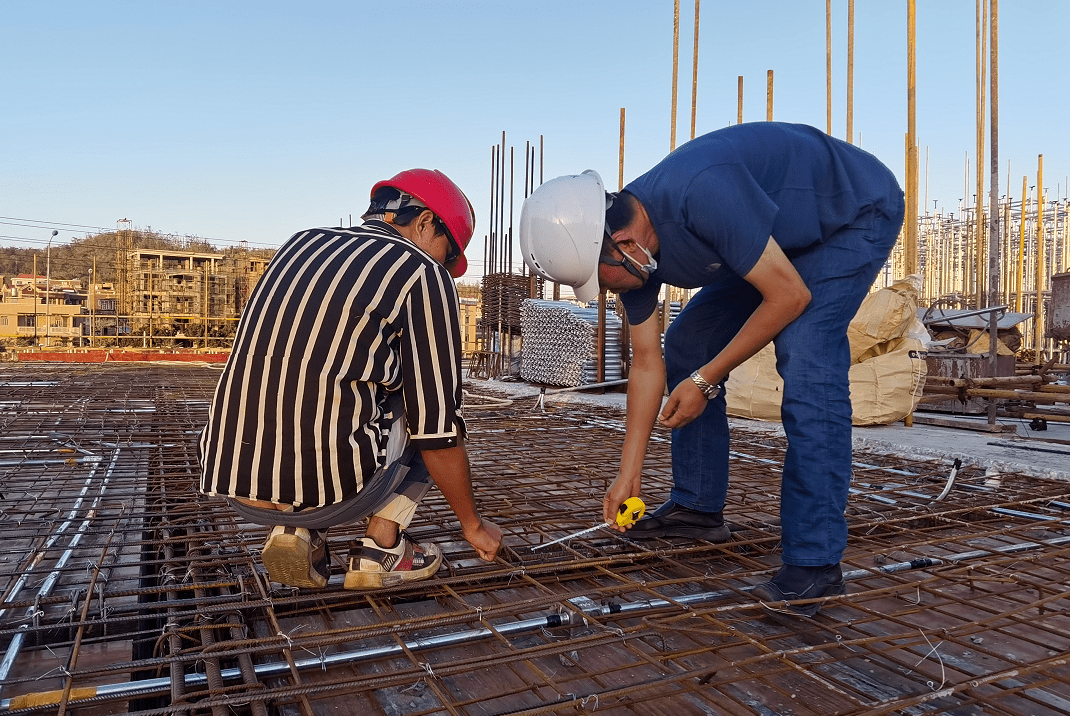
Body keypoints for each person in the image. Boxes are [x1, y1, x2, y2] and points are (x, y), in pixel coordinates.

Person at [519, 123, 904, 616]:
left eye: (601, 278)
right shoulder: (633, 260)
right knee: (688, 341)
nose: (607, 289)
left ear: (619, 240)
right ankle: (698, 507)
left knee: (807, 354)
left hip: (849, 216)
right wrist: (628, 473)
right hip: (775, 236)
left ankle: (815, 564)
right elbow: (647, 363)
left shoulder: (703, 192)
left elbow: (789, 295)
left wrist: (706, 379)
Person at [200, 168, 502, 590]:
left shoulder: (300, 242)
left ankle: (296, 530)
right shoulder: (420, 272)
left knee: (318, 378)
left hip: (235, 478)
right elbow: (437, 430)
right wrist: (473, 525)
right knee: (432, 405)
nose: (445, 267)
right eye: (448, 254)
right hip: (342, 492)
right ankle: (382, 550)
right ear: (426, 221)